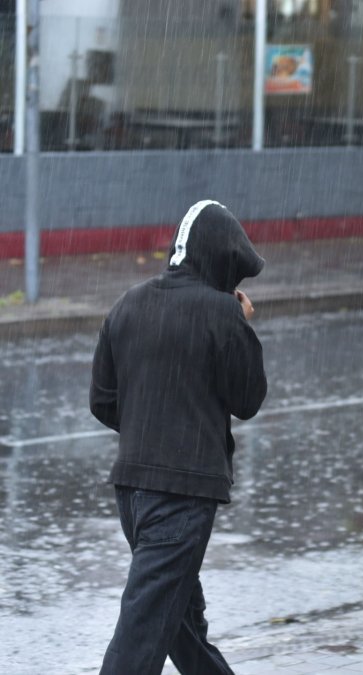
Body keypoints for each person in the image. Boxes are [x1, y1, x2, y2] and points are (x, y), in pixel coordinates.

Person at [90, 199, 268, 674]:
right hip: (183, 497)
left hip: (131, 493)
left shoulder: (127, 303)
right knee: (142, 637)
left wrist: (152, 429)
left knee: (182, 629)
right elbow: (248, 399)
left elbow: (103, 401)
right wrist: (242, 327)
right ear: (222, 261)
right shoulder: (221, 314)